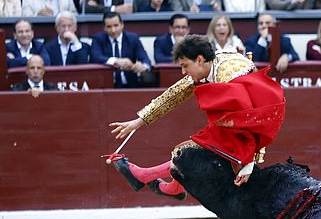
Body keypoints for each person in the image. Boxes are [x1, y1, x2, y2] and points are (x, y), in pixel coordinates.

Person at [108, 34, 285, 197]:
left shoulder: (227, 74)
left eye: (185, 66)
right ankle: (169, 187)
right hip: (247, 123)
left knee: (188, 152)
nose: (183, 72)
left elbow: (253, 117)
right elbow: (174, 94)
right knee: (190, 151)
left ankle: (149, 178)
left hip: (260, 123)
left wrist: (249, 163)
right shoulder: (210, 65)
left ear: (199, 59)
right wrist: (138, 122)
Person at [90, 12, 151, 88]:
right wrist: (116, 61)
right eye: (109, 27)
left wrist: (143, 66)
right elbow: (95, 57)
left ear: (122, 25)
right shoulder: (98, 39)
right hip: (106, 87)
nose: (113, 30)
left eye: (116, 25)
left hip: (130, 86)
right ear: (104, 28)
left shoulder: (133, 38)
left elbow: (145, 59)